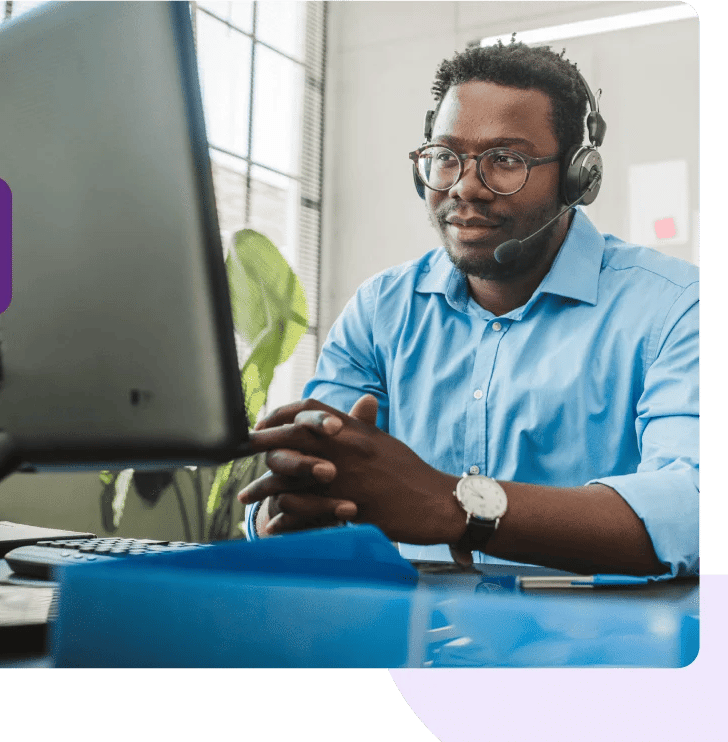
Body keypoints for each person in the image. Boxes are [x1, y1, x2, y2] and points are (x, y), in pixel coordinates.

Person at [238, 42, 699, 577]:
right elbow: (316, 478)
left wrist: (456, 506)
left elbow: (693, 506)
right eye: (445, 156)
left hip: (602, 649)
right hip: (408, 643)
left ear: (578, 177)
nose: (464, 186)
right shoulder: (381, 311)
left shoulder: (675, 306)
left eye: (506, 160)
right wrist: (287, 512)